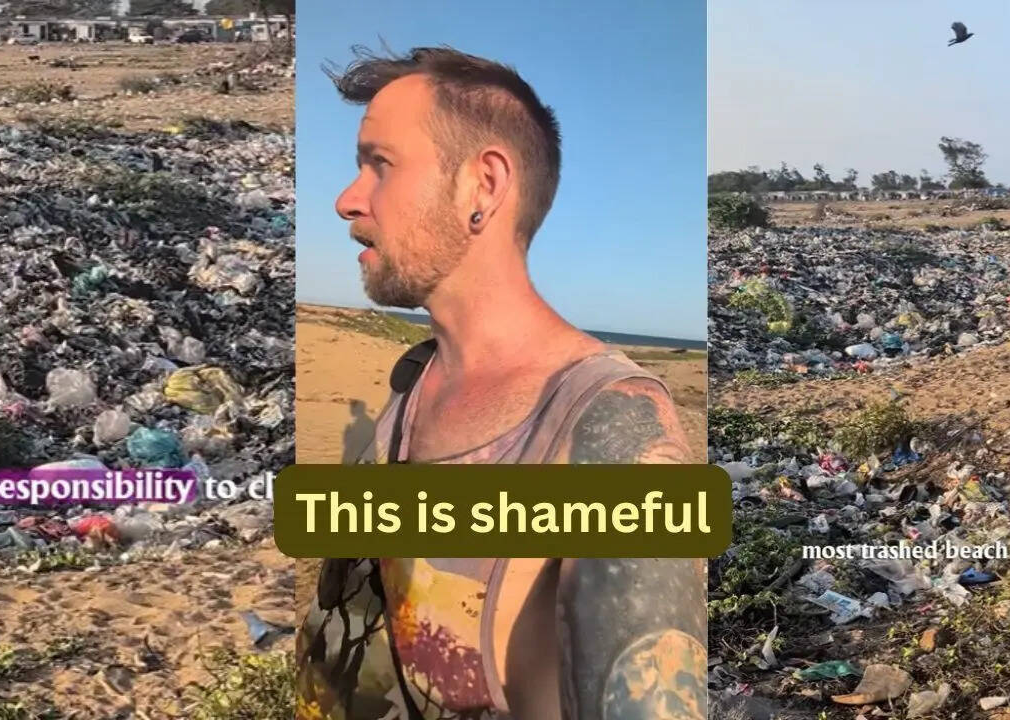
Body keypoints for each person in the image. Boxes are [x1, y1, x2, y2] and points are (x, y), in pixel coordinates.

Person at [296, 46, 705, 720]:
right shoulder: (415, 379)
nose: (347, 200)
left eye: (380, 164)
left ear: (482, 186)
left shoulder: (612, 430)